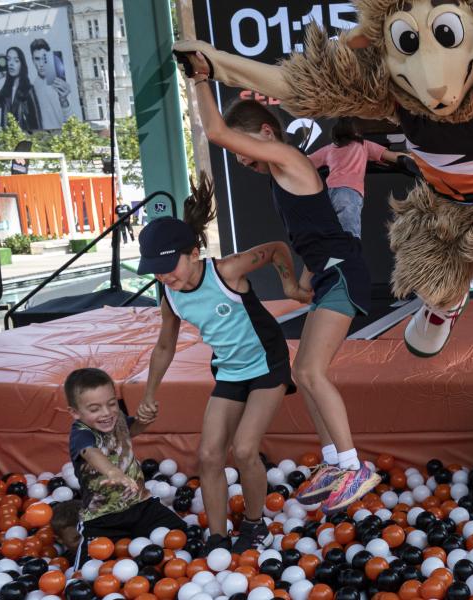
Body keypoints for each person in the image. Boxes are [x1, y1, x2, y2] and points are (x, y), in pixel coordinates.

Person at [183, 52, 381, 514]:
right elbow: (316, 236)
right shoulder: (281, 176)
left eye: (243, 150)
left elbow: (216, 132)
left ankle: (353, 467)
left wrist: (199, 79)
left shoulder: (289, 157)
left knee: (311, 372)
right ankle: (333, 460)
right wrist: (301, 283)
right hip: (330, 272)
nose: (241, 161)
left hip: (345, 273)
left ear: (266, 135)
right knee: (302, 373)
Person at [137, 175, 310, 553]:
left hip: (268, 365)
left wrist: (290, 286)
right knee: (209, 455)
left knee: (246, 449)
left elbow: (278, 248)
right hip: (230, 371)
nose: (165, 276)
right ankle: (217, 538)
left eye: (170, 266)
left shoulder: (227, 271)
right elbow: (165, 346)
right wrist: (149, 394)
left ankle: (254, 525)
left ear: (194, 252)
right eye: (156, 269)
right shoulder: (169, 293)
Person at [65, 367, 186, 564]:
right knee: (89, 572)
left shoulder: (117, 418)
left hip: (141, 506)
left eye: (111, 404)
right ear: (75, 412)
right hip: (102, 519)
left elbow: (131, 430)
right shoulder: (81, 434)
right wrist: (112, 471)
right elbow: (90, 451)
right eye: (94, 409)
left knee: (185, 538)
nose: (106, 413)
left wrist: (145, 421)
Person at [307, 117, 405, 239]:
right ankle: (348, 257)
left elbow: (306, 162)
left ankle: (336, 257)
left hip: (330, 194)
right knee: (350, 236)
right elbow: (394, 156)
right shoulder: (363, 145)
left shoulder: (330, 148)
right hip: (349, 192)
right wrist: (413, 158)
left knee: (332, 237)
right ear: (355, 132)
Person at [0, 47, 41, 130]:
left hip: (24, 138)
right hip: (7, 138)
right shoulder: (5, 90)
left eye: (16, 60)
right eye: (8, 60)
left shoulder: (28, 89)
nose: (11, 64)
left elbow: (36, 121)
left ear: (22, 64)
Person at [30, 38, 69, 130]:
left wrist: (64, 101)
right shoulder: (31, 89)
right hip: (42, 137)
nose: (41, 64)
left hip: (65, 134)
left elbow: (72, 117)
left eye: (44, 58)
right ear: (33, 60)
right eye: (37, 59)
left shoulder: (61, 82)